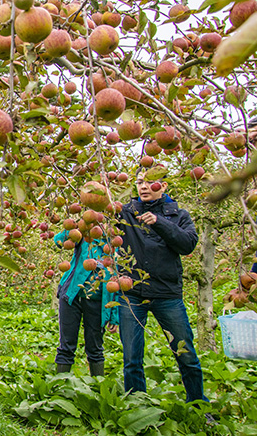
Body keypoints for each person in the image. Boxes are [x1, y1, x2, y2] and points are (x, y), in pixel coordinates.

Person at [116, 170, 208, 404]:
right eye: (139, 182)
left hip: (167, 293)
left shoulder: (178, 215)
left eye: (149, 182)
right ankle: (138, 406)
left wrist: (160, 223)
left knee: (185, 352)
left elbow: (187, 245)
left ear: (163, 186)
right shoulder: (125, 212)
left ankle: (198, 403)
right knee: (131, 357)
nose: (143, 187)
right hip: (132, 292)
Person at [53, 228, 118, 377]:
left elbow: (117, 283)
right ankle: (59, 387)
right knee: (66, 345)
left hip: (98, 302)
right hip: (71, 296)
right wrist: (75, 225)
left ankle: (97, 388)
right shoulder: (84, 235)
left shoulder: (115, 245)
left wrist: (114, 315)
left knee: (95, 346)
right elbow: (59, 241)